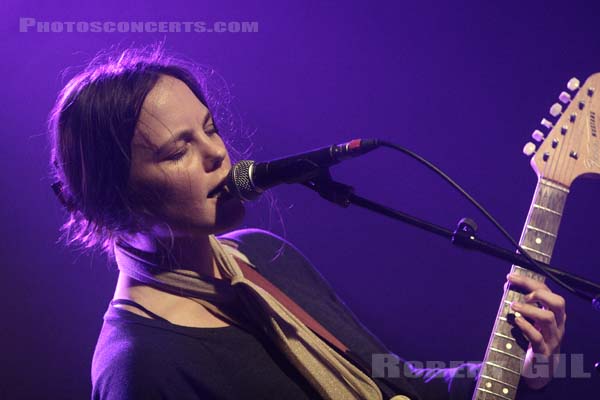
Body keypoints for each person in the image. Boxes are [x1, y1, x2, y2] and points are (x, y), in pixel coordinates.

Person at [48, 44, 566, 400]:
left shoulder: (263, 256)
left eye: (210, 128)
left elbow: (395, 382)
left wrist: (525, 372)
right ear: (115, 197)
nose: (217, 154)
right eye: (177, 150)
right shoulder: (140, 368)